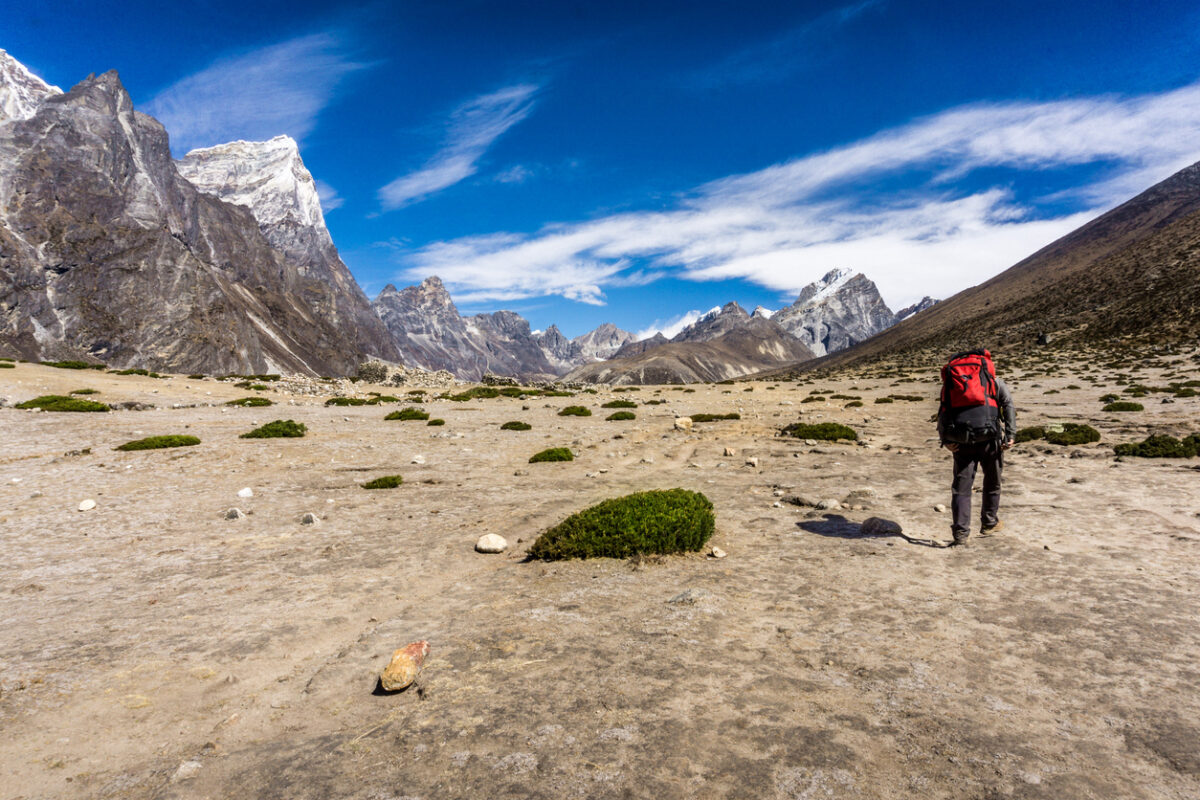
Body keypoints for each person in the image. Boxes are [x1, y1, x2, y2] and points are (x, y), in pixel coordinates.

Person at [937, 349, 1016, 547]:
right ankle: (989, 522)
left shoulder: (952, 383)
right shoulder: (993, 381)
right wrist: (1011, 434)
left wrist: (945, 439)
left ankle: (961, 533)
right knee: (992, 482)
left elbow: (943, 411)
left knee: (961, 488)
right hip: (990, 439)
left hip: (961, 441)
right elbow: (1008, 404)